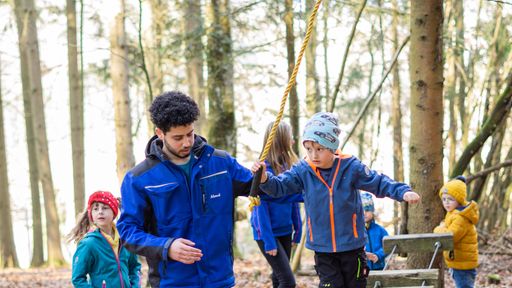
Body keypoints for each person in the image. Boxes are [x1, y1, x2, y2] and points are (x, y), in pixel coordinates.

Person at [251, 112, 421, 288]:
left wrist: (401, 191)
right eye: (308, 149)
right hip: (323, 248)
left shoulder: (350, 167)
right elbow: (280, 187)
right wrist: (265, 179)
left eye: (319, 149)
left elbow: (377, 182)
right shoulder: (303, 170)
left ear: (331, 147)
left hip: (352, 246)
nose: (313, 155)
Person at [116, 91, 255, 287]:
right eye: (178, 137)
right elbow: (127, 232)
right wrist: (166, 247)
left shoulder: (221, 163)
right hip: (171, 282)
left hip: (219, 280)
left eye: (190, 134)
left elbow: (261, 188)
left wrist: (266, 177)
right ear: (160, 133)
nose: (187, 142)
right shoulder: (139, 179)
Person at [250, 121, 302, 288]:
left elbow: (293, 199)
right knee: (288, 282)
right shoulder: (263, 169)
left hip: (285, 229)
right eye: (290, 137)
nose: (293, 141)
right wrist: (268, 240)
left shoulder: (287, 166)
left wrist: (298, 228)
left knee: (278, 278)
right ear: (281, 139)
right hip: (267, 233)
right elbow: (260, 208)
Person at [69, 191, 141, 288]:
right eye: (95, 208)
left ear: (114, 212)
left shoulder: (125, 240)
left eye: (105, 208)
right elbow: (77, 278)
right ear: (92, 216)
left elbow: (134, 267)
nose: (100, 212)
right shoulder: (88, 244)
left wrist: (135, 286)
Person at [433, 176, 479, 288]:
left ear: (459, 200)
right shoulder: (454, 212)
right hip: (459, 262)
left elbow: (450, 237)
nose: (446, 203)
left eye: (450, 199)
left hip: (463, 265)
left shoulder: (460, 217)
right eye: (444, 199)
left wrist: (438, 228)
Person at [360, 191, 388, 270]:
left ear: (372, 211)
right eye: (362, 210)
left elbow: (388, 246)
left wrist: (378, 255)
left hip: (378, 267)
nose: (365, 213)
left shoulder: (380, 230)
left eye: (367, 210)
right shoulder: (355, 231)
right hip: (361, 269)